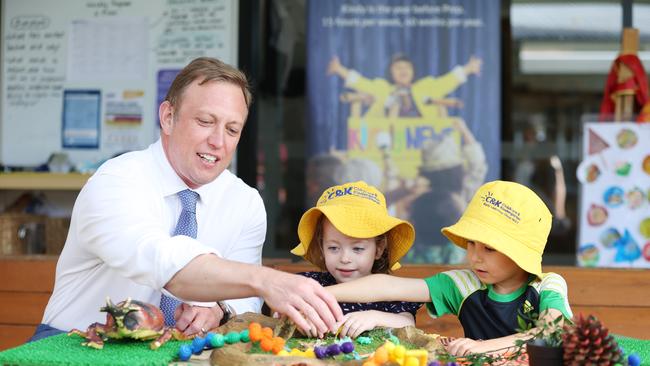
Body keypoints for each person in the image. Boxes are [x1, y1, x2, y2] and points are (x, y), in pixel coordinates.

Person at [31, 57, 342, 342]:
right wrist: (267, 280)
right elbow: (160, 260)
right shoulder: (116, 180)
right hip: (70, 343)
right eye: (205, 121)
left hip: (170, 351)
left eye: (232, 129)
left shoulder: (245, 202)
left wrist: (219, 310)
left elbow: (244, 301)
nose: (218, 141)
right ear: (168, 117)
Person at [327, 180, 573, 356]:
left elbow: (549, 334)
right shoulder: (464, 283)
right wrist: (321, 294)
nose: (475, 257)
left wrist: (483, 346)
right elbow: (387, 285)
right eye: (471, 244)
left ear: (519, 254)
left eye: (489, 248)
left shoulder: (548, 285)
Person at [290, 181, 422, 338]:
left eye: (358, 248)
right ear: (321, 246)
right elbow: (283, 312)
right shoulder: (309, 284)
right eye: (333, 248)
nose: (345, 259)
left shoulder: (391, 293)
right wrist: (298, 318)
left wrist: (375, 317)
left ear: (378, 249)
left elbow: (408, 324)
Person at [407, 117, 487, 264]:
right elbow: (478, 166)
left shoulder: (419, 195)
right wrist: (464, 131)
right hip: (456, 264)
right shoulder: (464, 193)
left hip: (419, 264)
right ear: (457, 170)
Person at [327, 53, 481, 119]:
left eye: (407, 67)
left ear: (413, 71)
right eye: (398, 68)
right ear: (391, 72)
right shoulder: (382, 88)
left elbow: (447, 81)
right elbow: (361, 83)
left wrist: (469, 68)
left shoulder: (425, 87)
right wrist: (339, 69)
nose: (403, 70)